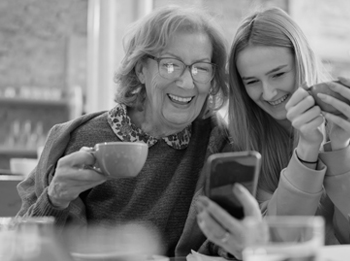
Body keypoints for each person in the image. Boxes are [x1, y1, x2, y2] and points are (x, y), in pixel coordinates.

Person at [15, 5, 232, 257]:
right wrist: (55, 198)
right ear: (141, 70)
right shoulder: (80, 139)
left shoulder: (216, 143)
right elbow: (23, 249)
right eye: (170, 66)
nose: (186, 82)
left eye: (201, 68)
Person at [196, 6, 350, 259]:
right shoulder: (241, 141)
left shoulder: (348, 123)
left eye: (279, 74)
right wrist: (307, 148)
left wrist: (340, 146)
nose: (269, 92)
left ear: (301, 62)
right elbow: (272, 242)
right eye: (252, 82)